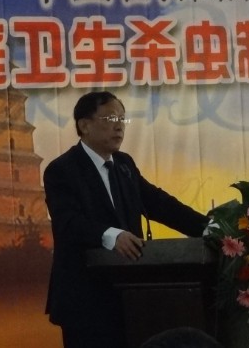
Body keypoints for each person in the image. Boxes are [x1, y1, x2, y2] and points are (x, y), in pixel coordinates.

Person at [43, 91, 210, 348]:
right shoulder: (62, 170)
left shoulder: (124, 165)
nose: (119, 125)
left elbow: (159, 204)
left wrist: (209, 228)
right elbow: (68, 223)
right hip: (85, 299)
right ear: (84, 125)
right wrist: (112, 235)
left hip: (132, 298)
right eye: (111, 118)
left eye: (123, 119)